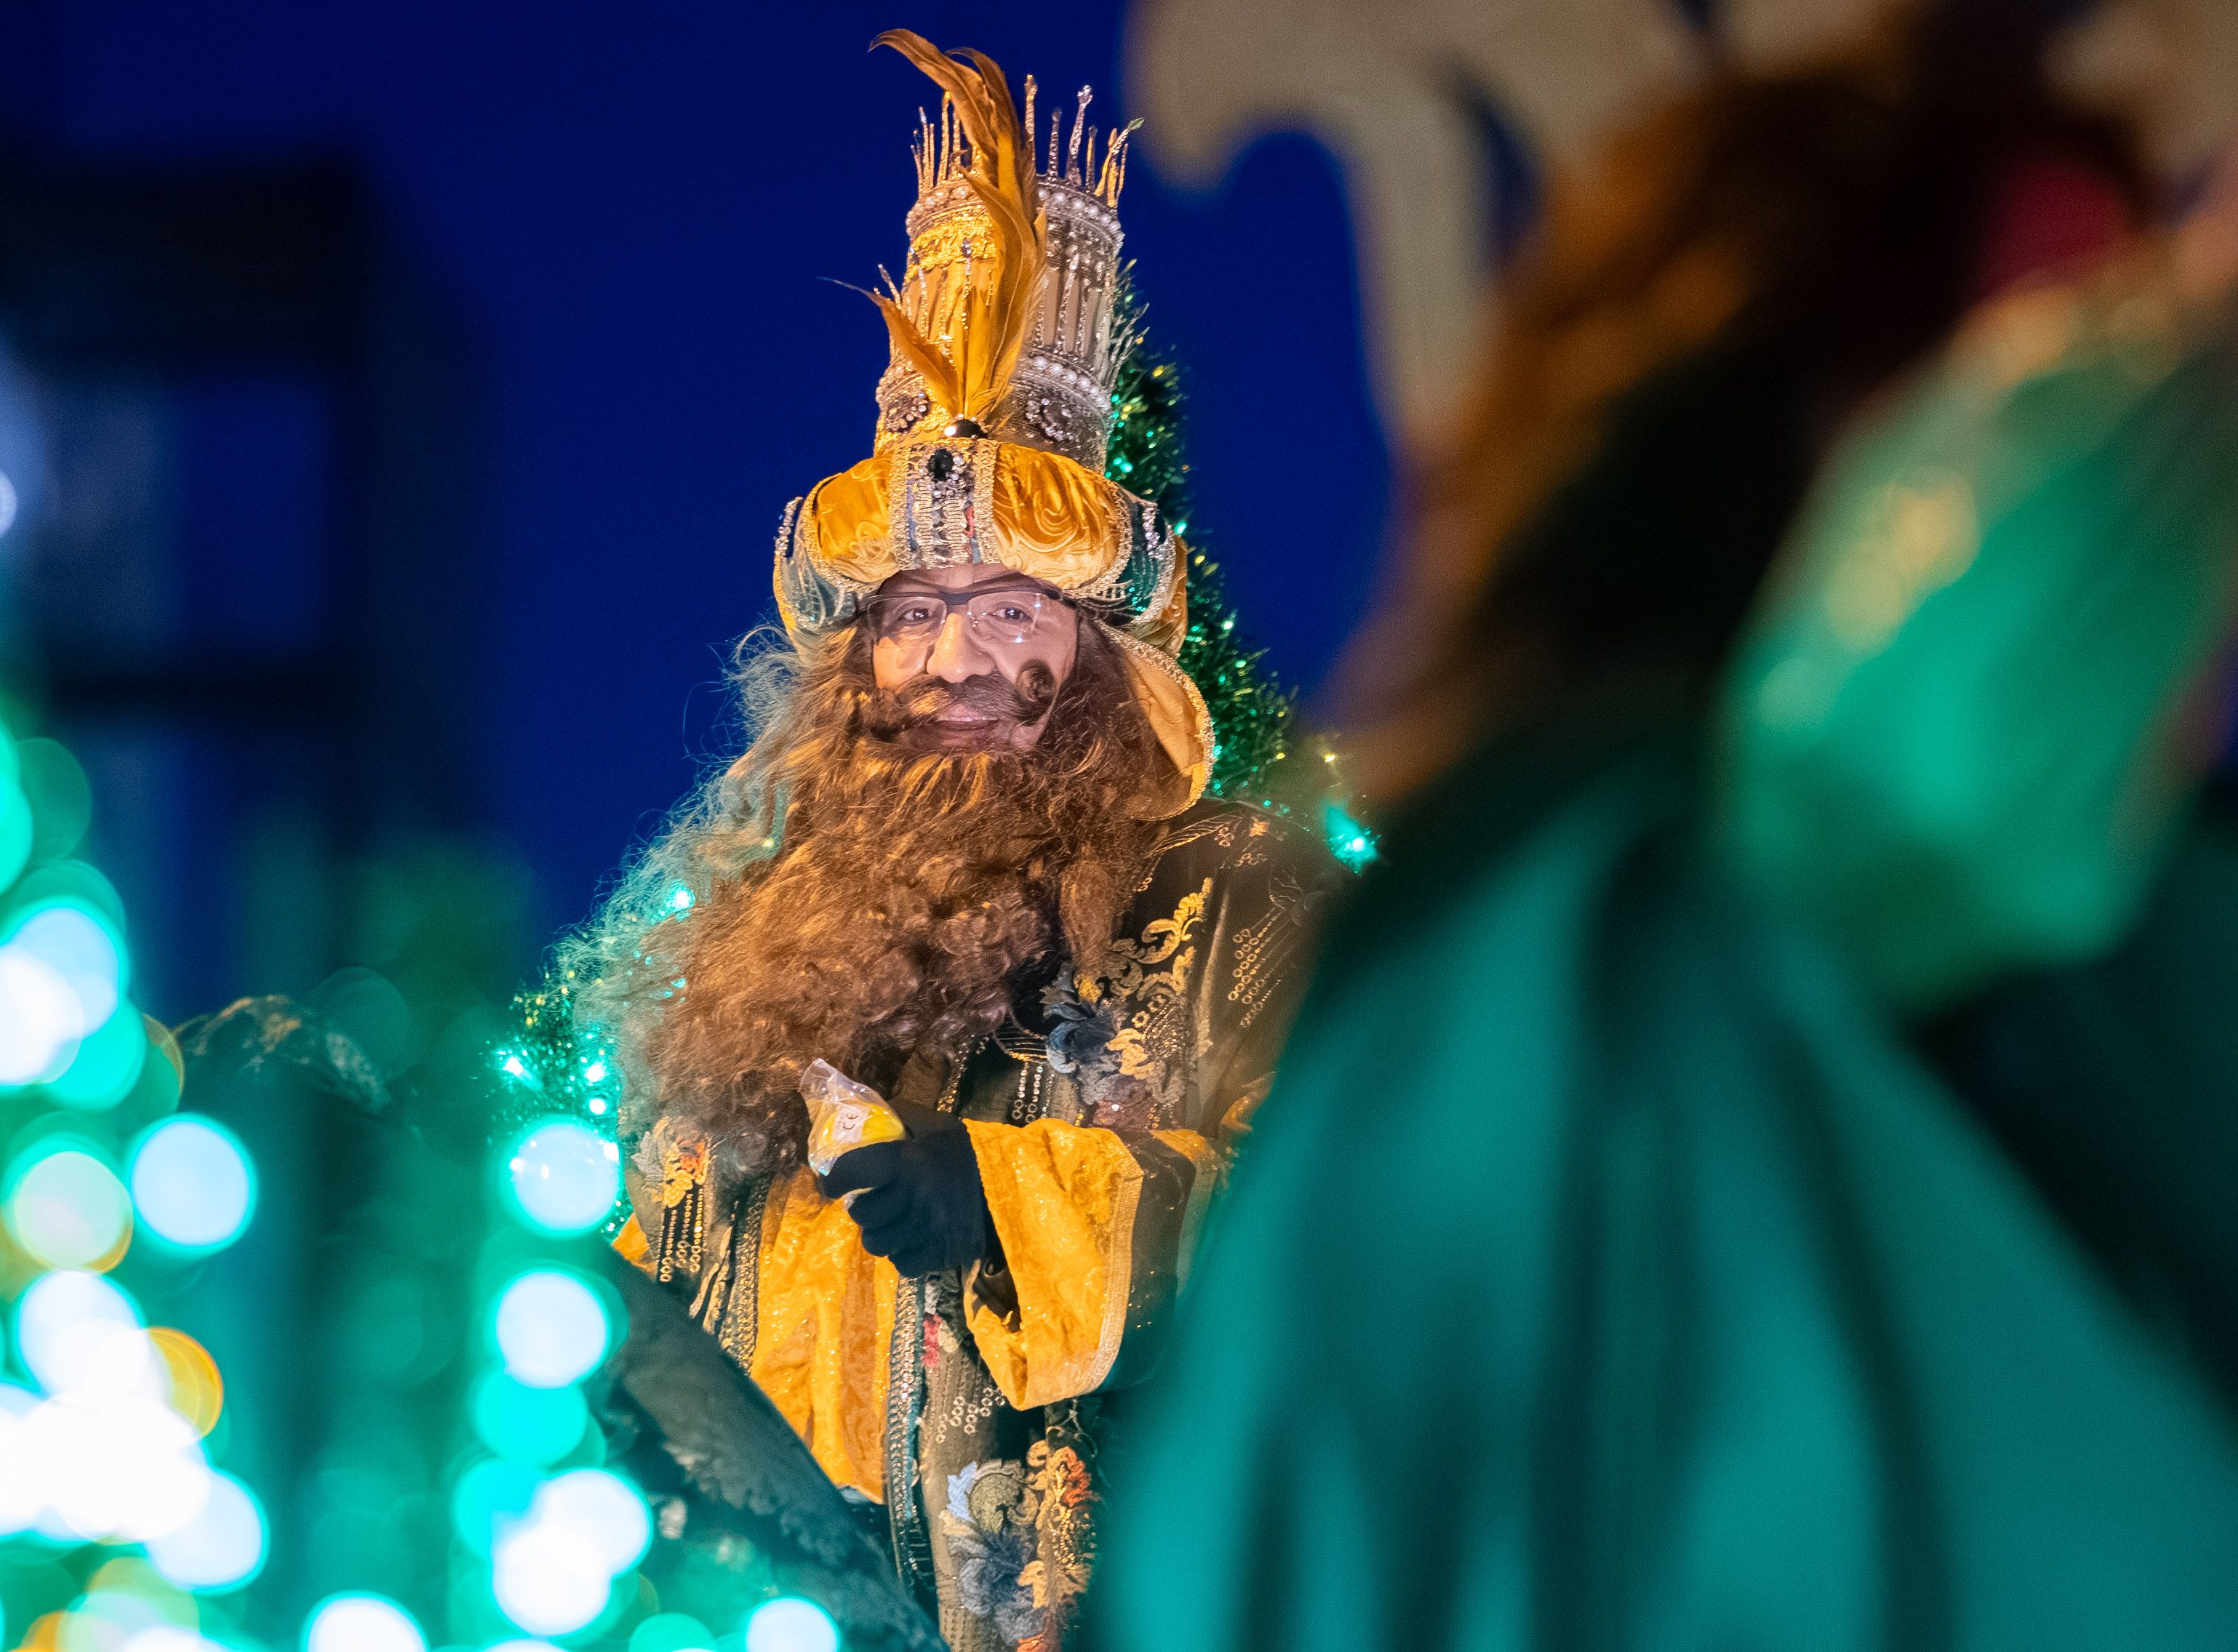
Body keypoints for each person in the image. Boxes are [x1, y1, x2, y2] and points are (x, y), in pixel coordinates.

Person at [1098, 1, 2238, 1647]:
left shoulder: (2127, 981)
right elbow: (1934, 729)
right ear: (1802, 424)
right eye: (2043, 364)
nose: (2144, 492)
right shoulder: (1597, 951)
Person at [553, 33, 1332, 1651]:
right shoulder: (750, 946)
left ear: (1106, 662)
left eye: (1008, 610)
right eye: (910, 613)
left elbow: (1354, 1222)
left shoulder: (1238, 898)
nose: (954, 659)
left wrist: (1008, 1201)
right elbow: (628, 1308)